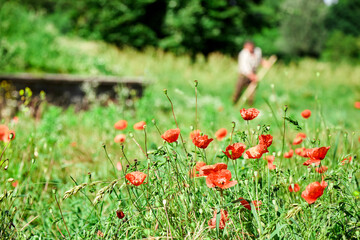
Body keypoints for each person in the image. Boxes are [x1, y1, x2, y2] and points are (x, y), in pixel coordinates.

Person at [232, 41, 269, 105]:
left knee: (252, 93)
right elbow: (244, 67)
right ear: (245, 47)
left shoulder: (257, 51)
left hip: (254, 74)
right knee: (238, 91)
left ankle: (250, 106)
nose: (251, 49)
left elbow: (259, 59)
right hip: (243, 75)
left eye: (252, 47)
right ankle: (234, 104)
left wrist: (264, 62)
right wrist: (252, 76)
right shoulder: (243, 54)